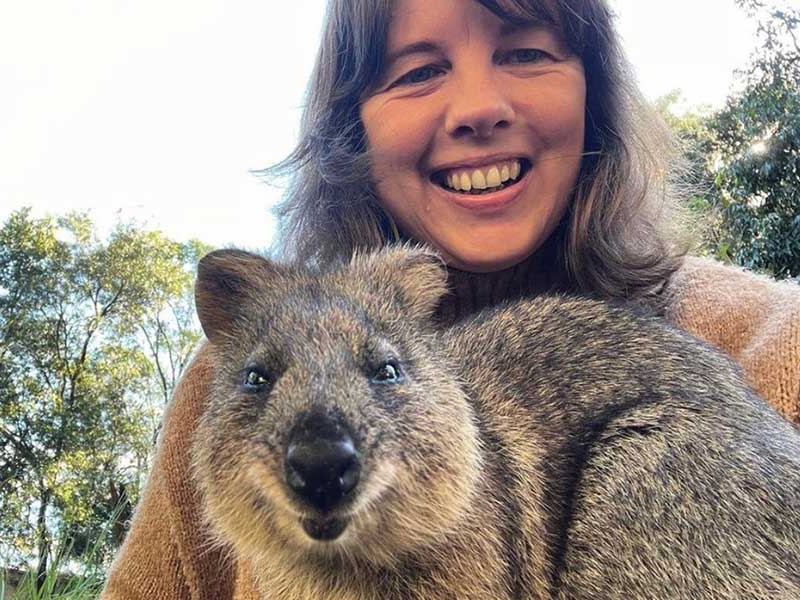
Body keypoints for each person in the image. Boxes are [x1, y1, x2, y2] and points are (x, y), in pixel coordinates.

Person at [102, 0, 800, 598]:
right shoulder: (221, 373)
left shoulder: (767, 337)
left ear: (593, 93)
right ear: (353, 127)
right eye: (418, 71)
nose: (478, 109)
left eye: (526, 52)